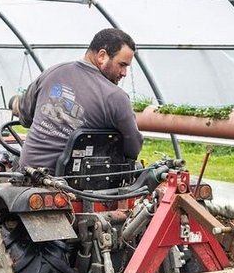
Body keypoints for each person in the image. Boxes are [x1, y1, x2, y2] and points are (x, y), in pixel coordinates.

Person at [10, 27, 143, 171]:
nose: (124, 73)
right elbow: (133, 148)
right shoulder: (115, 97)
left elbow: (25, 117)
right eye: (122, 65)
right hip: (75, 183)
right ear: (102, 56)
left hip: (28, 174)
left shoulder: (52, 73)